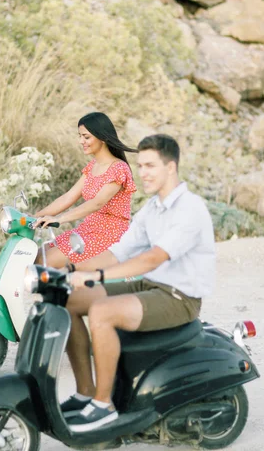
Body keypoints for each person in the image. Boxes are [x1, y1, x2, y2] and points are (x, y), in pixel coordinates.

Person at [61, 134, 215, 433]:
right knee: (70, 299)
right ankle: (85, 393)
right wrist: (67, 269)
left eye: (150, 166)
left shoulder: (190, 209)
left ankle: (104, 407)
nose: (142, 172)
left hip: (179, 298)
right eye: (140, 165)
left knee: (102, 312)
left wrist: (97, 277)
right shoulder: (153, 209)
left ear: (171, 168)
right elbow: (118, 252)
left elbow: (152, 259)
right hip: (149, 286)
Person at [32, 112, 137, 270]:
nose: (81, 141)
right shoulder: (92, 166)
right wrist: (34, 217)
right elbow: (68, 197)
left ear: (102, 137)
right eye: (80, 136)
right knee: (37, 255)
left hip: (108, 236)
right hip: (88, 230)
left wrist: (59, 219)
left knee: (47, 261)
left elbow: (97, 203)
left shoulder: (119, 168)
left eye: (86, 137)